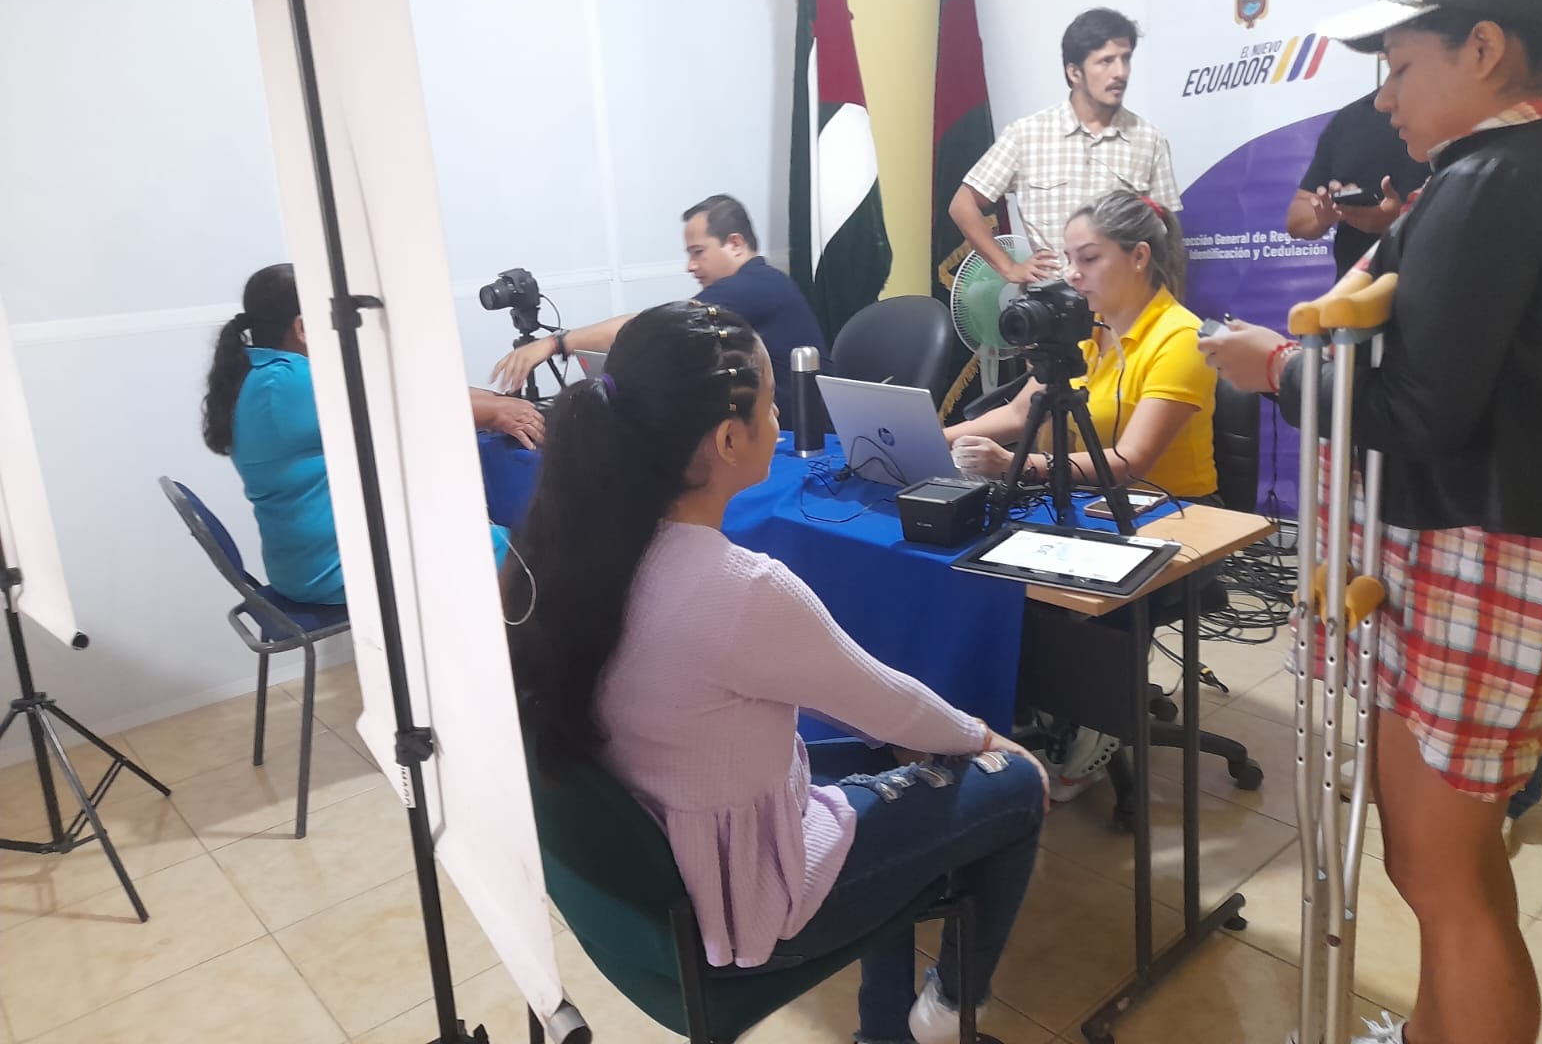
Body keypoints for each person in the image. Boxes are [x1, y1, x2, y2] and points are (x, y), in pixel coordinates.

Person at [1199, 0, 1542, 1044]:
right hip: (1487, 542)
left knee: (1441, 870)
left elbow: (1421, 407)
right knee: (1445, 866)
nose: (1384, 98)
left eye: (1401, 65)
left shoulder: (1502, 178)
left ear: (1486, 49)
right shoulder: (1528, 167)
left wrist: (1272, 369)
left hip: (1488, 554)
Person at [506, 301, 1047, 1044]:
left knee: (898, 759)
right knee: (1014, 783)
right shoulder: (739, 589)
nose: (780, 421)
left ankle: (886, 1032)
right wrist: (987, 738)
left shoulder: (562, 552)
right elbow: (885, 702)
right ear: (730, 439)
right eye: (769, 406)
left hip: (654, 879)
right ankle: (950, 1009)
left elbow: (887, 719)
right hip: (743, 904)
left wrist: (933, 741)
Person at [202, 263, 536, 605]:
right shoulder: (292, 384)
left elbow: (412, 392)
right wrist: (497, 411)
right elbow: (415, 407)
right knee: (515, 553)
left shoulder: (262, 372)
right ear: (303, 328)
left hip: (306, 561)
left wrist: (497, 403)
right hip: (335, 568)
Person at [946, 191, 1216, 502]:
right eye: (1069, 259)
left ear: (1139, 257)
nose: (1072, 274)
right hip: (1089, 501)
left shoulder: (1181, 336)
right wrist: (934, 439)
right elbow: (1019, 415)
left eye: (1089, 259)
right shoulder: (1083, 326)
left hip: (1173, 510)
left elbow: (1131, 461)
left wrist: (1014, 464)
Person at [490, 194, 828, 429]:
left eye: (698, 252)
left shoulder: (757, 285)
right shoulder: (746, 288)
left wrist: (556, 343)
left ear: (735, 244)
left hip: (805, 441)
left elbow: (654, 328)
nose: (690, 266)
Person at [951, 8, 1182, 286]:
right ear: (1074, 72)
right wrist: (1009, 267)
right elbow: (962, 205)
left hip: (1124, 303)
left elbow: (1167, 235)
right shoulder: (1027, 135)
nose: (1120, 72)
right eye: (1106, 61)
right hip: (1053, 300)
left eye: (1126, 59)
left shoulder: (1149, 140)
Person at [1286, 91, 1433, 277]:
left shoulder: (1456, 115)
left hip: (1432, 281)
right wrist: (1325, 213)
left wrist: (1399, 221)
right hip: (1357, 287)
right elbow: (1297, 220)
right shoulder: (1349, 119)